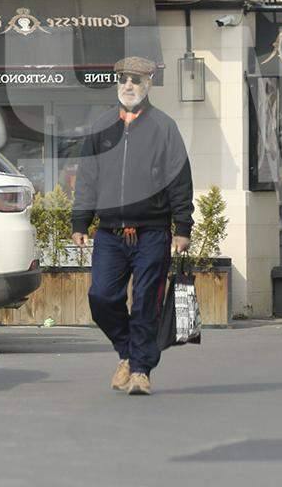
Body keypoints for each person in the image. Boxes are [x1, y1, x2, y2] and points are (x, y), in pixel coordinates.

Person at [70, 56, 194, 396]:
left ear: (148, 84)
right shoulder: (101, 127)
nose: (129, 86)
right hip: (109, 233)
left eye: (136, 80)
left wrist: (182, 227)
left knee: (145, 304)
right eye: (123, 79)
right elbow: (88, 177)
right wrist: (80, 220)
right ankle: (127, 352)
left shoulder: (164, 127)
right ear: (117, 83)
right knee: (101, 297)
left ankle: (141, 370)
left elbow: (180, 181)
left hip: (152, 232)